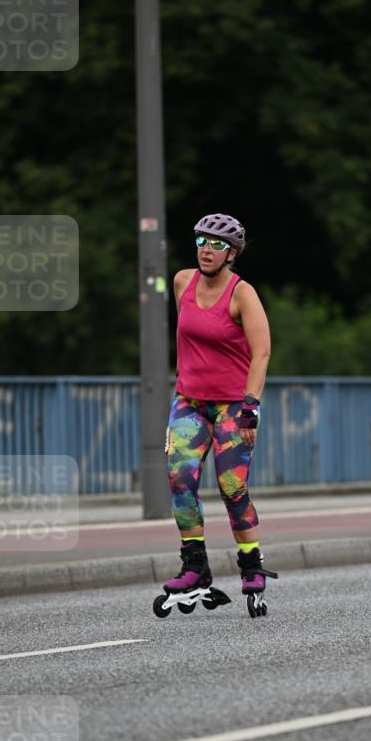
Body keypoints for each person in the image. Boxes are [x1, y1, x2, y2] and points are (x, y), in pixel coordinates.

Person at [160, 213, 277, 618]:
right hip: (190, 402)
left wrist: (251, 408)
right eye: (201, 242)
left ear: (232, 253)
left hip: (232, 405)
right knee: (180, 479)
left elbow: (260, 353)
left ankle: (250, 563)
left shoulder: (242, 294)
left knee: (231, 486)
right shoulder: (181, 282)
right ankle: (195, 567)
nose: (207, 250)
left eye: (216, 245)